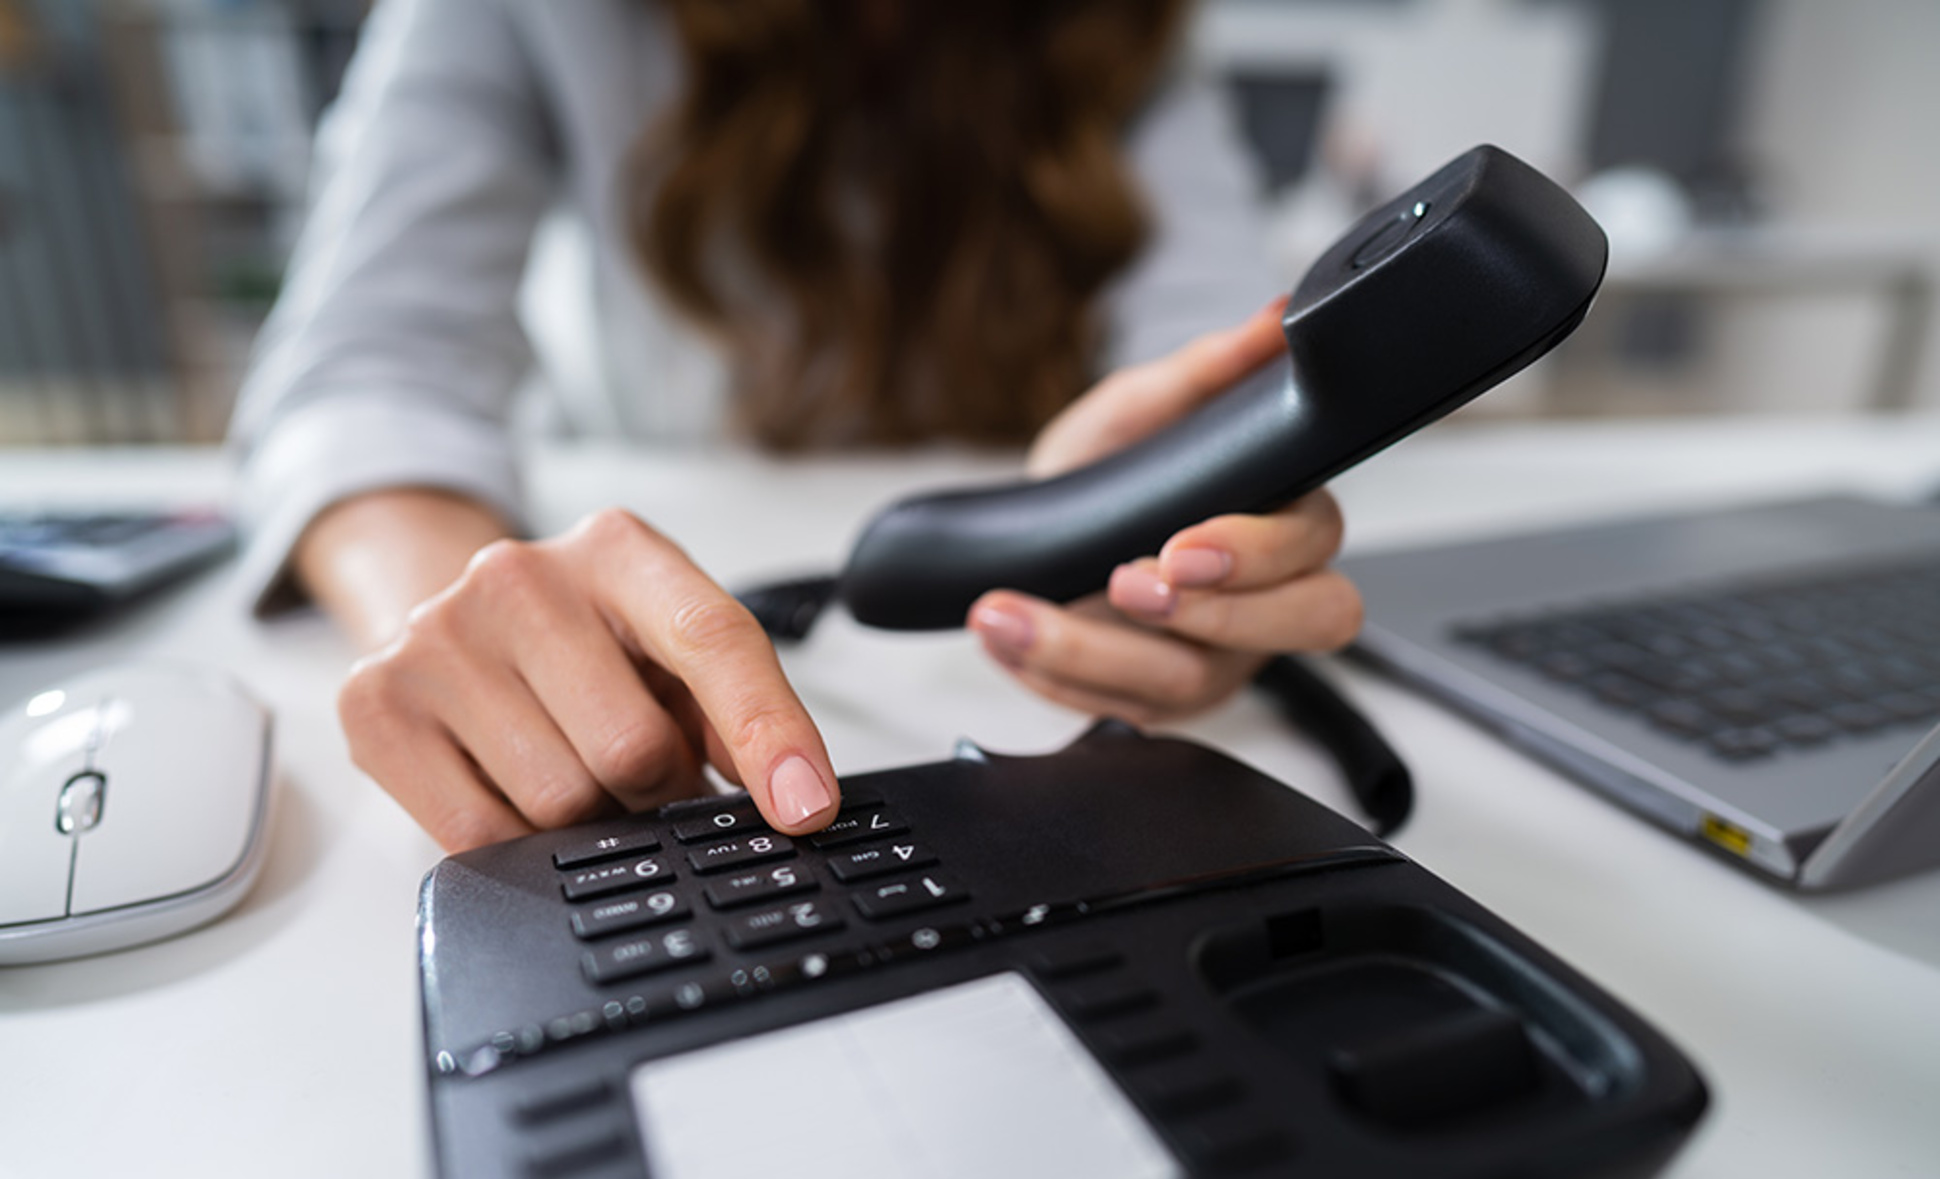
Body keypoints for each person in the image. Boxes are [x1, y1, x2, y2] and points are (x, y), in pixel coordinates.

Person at [231, 0, 1363, 855]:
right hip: (665, 589)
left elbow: (1205, 347)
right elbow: (365, 370)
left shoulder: (1117, 27)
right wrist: (455, 609)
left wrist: (1173, 518)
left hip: (1014, 634)